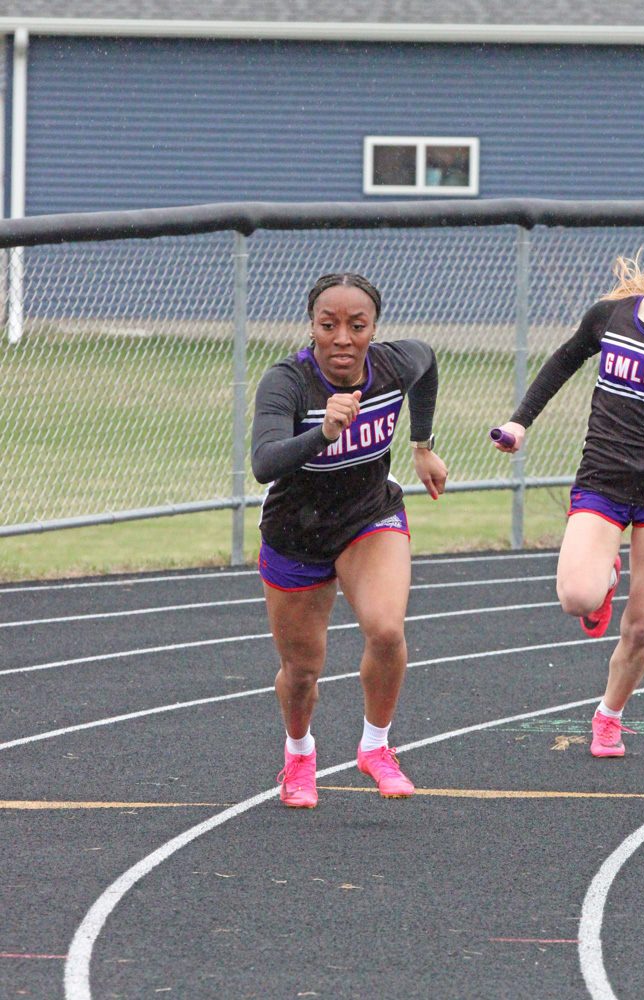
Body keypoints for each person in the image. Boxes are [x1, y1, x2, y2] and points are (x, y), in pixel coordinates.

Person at [492, 217, 644, 758]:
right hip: (603, 478)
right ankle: (603, 574)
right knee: (577, 596)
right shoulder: (610, 317)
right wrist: (519, 423)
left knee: (641, 628)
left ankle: (609, 713)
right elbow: (561, 363)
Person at [251, 272, 447, 808]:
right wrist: (322, 433)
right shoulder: (287, 383)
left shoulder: (391, 364)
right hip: (298, 535)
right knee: (301, 672)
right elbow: (263, 463)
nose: (342, 339)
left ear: (373, 329)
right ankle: (299, 754)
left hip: (369, 518)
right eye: (328, 325)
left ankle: (376, 747)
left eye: (356, 326)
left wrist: (422, 443)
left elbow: (427, 360)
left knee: (386, 630)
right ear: (311, 327)